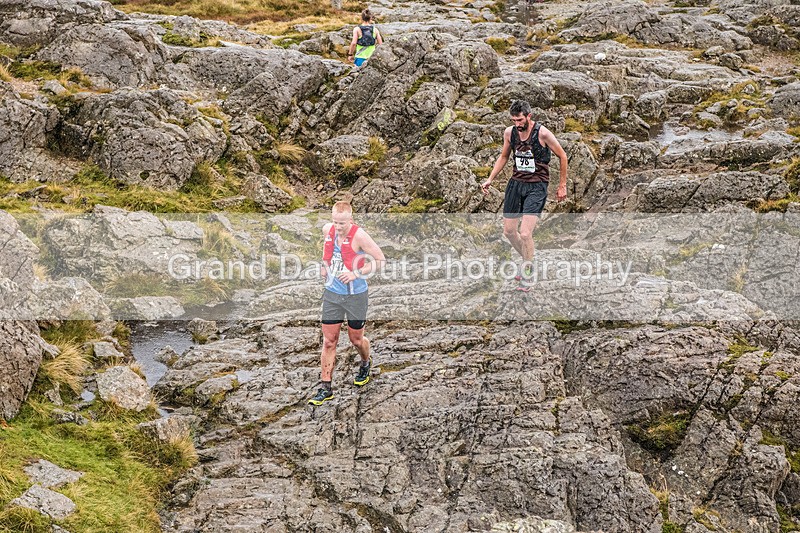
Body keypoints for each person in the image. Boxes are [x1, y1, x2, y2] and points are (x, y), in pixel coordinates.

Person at [480, 99, 568, 291]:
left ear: (529, 116)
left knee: (525, 233)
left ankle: (528, 272)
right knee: (509, 232)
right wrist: (490, 179)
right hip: (516, 185)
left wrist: (562, 185)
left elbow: (563, 156)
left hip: (536, 186)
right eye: (513, 120)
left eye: (520, 120)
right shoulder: (509, 133)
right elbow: (504, 156)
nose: (517, 124)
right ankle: (529, 261)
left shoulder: (543, 134)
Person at [309, 201, 386, 405]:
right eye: (335, 222)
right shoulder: (328, 230)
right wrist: (324, 266)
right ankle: (325, 387)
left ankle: (365, 362)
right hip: (332, 294)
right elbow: (329, 253)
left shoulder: (359, 236)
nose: (338, 227)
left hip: (356, 296)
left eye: (342, 223)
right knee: (329, 341)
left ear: (350, 220)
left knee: (356, 340)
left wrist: (355, 273)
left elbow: (380, 260)